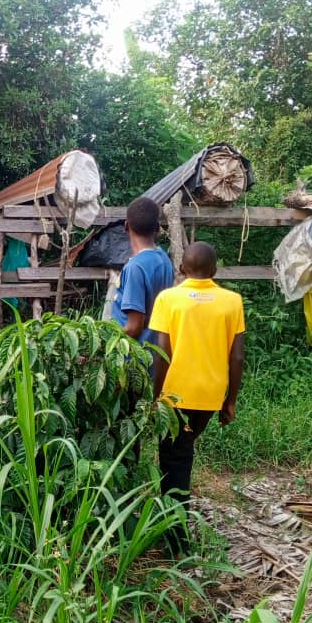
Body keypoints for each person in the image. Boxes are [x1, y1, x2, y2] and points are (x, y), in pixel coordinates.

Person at [149, 241, 245, 555]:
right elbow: (237, 357)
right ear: (214, 271)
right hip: (209, 397)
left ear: (181, 269)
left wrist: (154, 397)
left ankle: (176, 541)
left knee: (175, 460)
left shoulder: (169, 299)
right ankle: (169, 524)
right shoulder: (232, 301)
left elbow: (162, 352)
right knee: (180, 454)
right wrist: (230, 401)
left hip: (174, 395)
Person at [111, 197, 174, 346]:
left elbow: (134, 327)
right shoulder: (163, 259)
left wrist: (106, 346)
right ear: (158, 227)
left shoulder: (135, 268)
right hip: (156, 351)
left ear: (126, 226)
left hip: (134, 360)